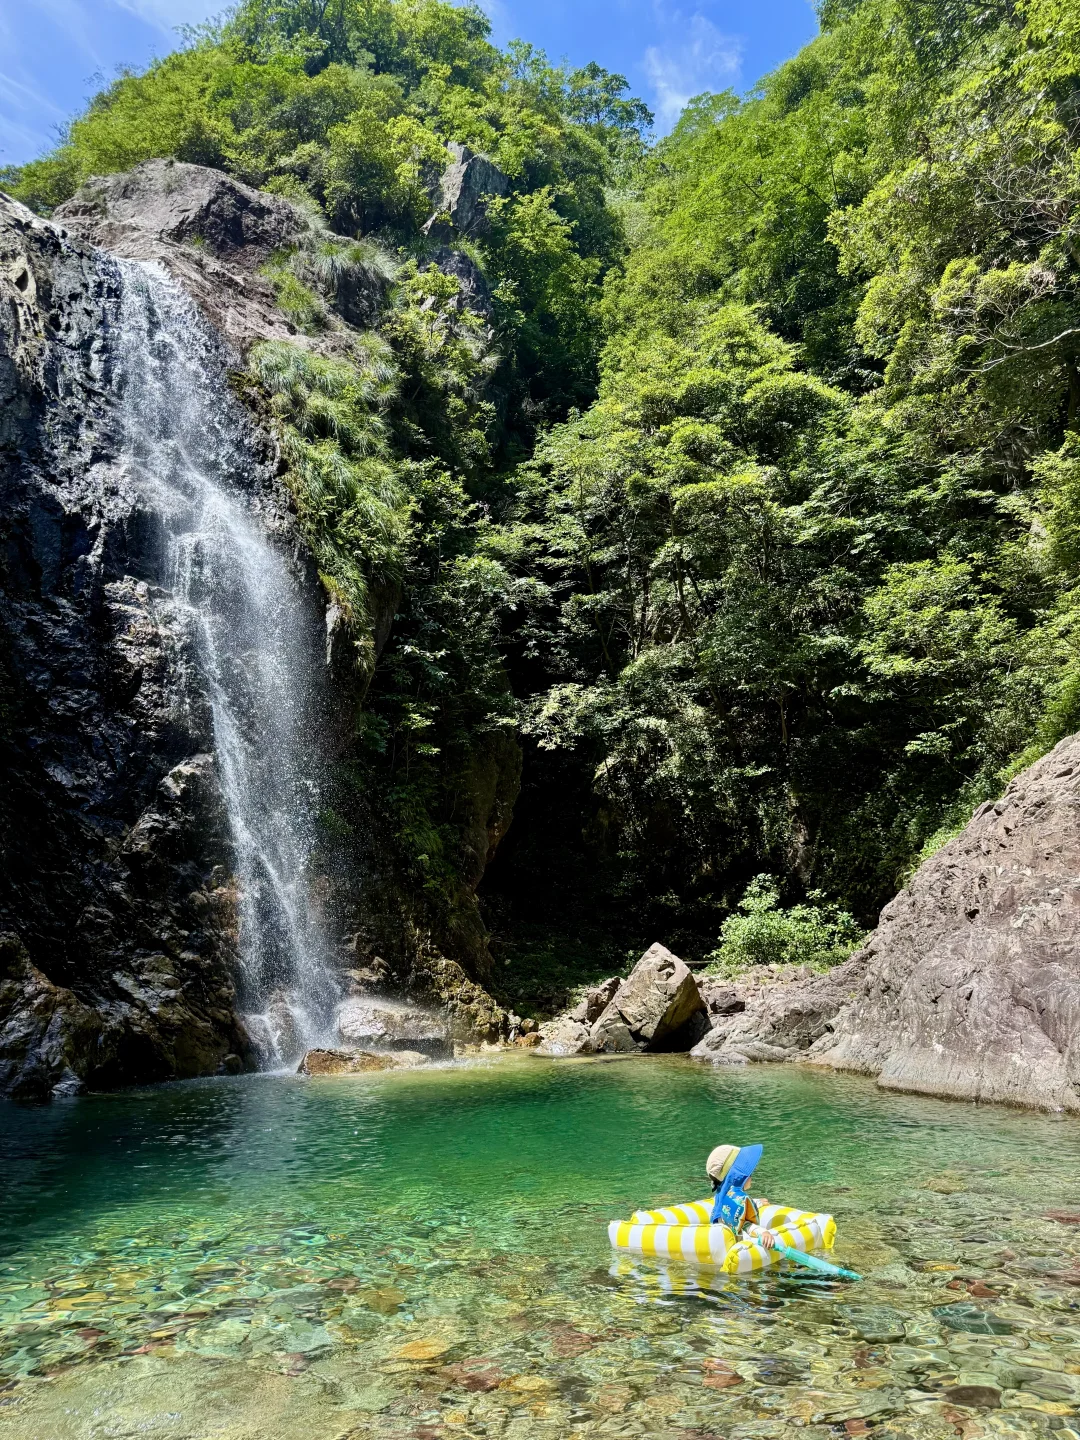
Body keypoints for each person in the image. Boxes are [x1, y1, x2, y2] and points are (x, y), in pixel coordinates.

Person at [706, 1143, 775, 1249]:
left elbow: (739, 1206)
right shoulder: (735, 1203)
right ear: (737, 1177)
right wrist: (763, 1233)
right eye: (748, 1173)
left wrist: (756, 1203)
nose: (751, 1175)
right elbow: (746, 1225)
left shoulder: (723, 1199)